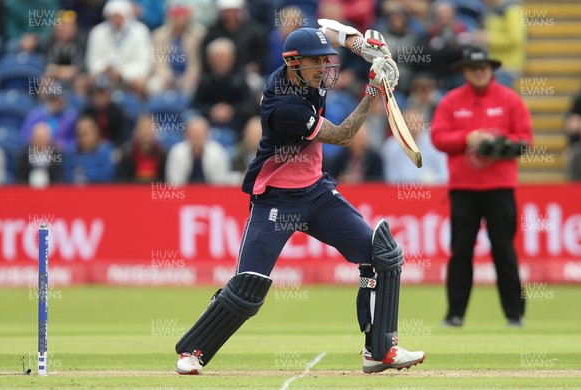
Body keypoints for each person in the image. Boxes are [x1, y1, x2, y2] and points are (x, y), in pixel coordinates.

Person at [174, 25, 425, 375]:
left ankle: (380, 350)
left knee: (382, 254)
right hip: (277, 199)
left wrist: (362, 46)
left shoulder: (303, 74)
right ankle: (192, 351)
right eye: (316, 63)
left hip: (317, 192)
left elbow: (327, 28)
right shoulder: (284, 105)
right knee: (248, 286)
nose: (324, 69)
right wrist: (372, 91)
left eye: (327, 62)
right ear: (294, 64)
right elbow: (341, 136)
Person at [430, 46, 533, 327]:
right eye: (474, 68)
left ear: (491, 70)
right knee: (461, 251)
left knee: (504, 249)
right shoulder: (451, 101)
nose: (479, 72)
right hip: (464, 188)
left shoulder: (509, 100)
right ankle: (455, 315)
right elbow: (438, 138)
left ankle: (515, 315)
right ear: (464, 71)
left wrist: (499, 141)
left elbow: (524, 140)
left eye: (484, 68)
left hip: (500, 187)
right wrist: (469, 138)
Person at [164, 116, 231, 185]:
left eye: (200, 133)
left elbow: (221, 181)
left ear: (207, 134)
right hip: (184, 193)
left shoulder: (218, 152)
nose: (197, 136)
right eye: (193, 133)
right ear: (186, 134)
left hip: (211, 193)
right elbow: (173, 180)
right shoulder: (176, 151)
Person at [63, 115, 115, 184]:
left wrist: (84, 176)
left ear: (95, 133)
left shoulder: (105, 152)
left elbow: (107, 176)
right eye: (79, 134)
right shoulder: (70, 153)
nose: (82, 137)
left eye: (85, 133)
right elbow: (68, 178)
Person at [117, 114, 166, 182]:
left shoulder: (163, 156)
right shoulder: (127, 156)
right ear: (136, 131)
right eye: (142, 128)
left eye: (150, 127)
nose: (146, 131)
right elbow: (121, 183)